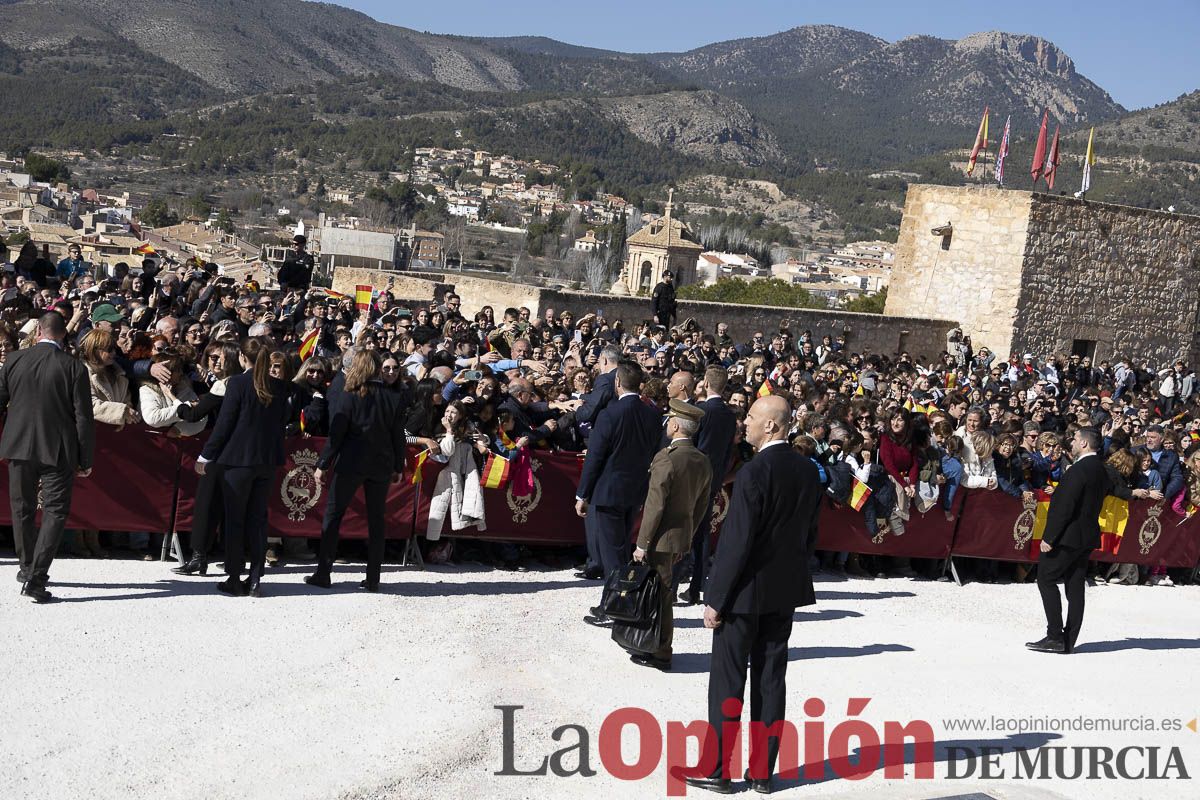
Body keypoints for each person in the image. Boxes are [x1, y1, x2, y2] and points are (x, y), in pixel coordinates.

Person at [687, 396, 821, 794]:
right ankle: (762, 773)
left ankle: (717, 770)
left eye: (750, 417)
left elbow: (736, 542)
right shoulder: (809, 471)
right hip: (784, 592)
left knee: (728, 683)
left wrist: (715, 597)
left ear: (771, 426)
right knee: (770, 682)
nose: (743, 422)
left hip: (743, 595)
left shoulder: (753, 471)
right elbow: (809, 536)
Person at [0, 311, 95, 602]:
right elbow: (83, 417)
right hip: (58, 449)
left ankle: (27, 567)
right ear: (64, 334)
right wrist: (85, 458)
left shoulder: (13, 360)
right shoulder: (74, 366)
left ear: (38, 330)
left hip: (18, 446)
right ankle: (36, 577)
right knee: (54, 512)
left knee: (22, 508)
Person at [197, 340, 293, 597]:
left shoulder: (238, 384)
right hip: (267, 461)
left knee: (235, 520)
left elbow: (225, 423)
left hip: (238, 460)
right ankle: (255, 578)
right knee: (258, 519)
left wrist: (206, 455)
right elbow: (284, 419)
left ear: (242, 357)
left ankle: (234, 576)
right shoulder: (279, 385)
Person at [306, 349, 408, 592]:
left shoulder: (350, 394)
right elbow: (397, 436)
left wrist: (323, 464)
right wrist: (397, 465)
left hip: (351, 462)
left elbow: (337, 434)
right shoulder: (393, 396)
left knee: (333, 515)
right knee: (376, 520)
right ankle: (373, 578)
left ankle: (324, 573)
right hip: (380, 464)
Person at [628, 399, 711, 671]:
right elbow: (700, 507)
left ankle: (660, 650)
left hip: (659, 539)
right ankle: (655, 646)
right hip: (679, 537)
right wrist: (686, 539)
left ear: (674, 425)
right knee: (662, 593)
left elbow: (655, 507)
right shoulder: (702, 460)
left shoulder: (667, 457)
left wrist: (642, 543)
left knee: (660, 596)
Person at [577, 363, 662, 625]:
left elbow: (595, 457)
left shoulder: (610, 414)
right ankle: (619, 602)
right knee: (621, 548)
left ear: (617, 382)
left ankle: (613, 606)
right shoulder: (653, 414)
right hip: (635, 491)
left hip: (609, 492)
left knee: (612, 555)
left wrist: (583, 493)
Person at [1026, 427, 1113, 655]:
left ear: (1084, 443)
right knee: (1075, 586)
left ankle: (1055, 636)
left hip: (1067, 537)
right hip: (1086, 536)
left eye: (1075, 439)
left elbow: (1065, 508)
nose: (1071, 442)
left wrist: (1049, 537)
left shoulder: (1078, 470)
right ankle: (1069, 640)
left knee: (1045, 578)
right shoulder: (1101, 469)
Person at [680, 366, 737, 605]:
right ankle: (696, 587)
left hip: (692, 478)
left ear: (705, 382)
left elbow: (689, 444)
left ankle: (672, 586)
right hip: (713, 479)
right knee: (702, 534)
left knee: (682, 530)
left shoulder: (701, 411)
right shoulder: (730, 415)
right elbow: (727, 452)